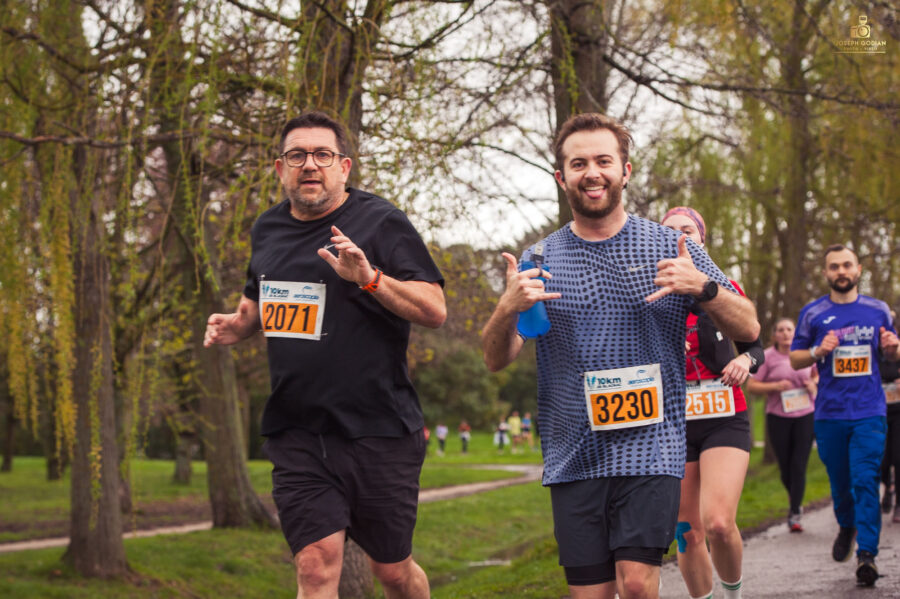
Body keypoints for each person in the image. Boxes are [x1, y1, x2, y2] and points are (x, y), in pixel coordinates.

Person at [481, 112, 760, 599]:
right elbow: (496, 358)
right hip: (575, 452)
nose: (592, 173)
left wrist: (703, 286)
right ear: (561, 177)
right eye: (579, 163)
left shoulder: (672, 247)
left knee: (635, 584)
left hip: (652, 446)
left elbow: (749, 327)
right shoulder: (539, 259)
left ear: (625, 171)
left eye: (603, 161)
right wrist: (507, 308)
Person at [203, 111, 446, 599]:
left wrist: (370, 278)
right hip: (298, 430)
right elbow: (259, 298)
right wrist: (239, 324)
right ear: (280, 168)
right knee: (314, 569)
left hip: (378, 429)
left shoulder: (382, 221)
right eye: (297, 156)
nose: (309, 165)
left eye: (322, 155)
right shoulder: (267, 228)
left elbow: (434, 310)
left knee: (393, 573)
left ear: (344, 166)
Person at [660, 207, 763, 599]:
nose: (679, 237)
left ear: (702, 239)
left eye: (687, 230)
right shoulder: (650, 292)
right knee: (687, 531)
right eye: (669, 231)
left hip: (724, 415)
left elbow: (755, 344)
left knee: (719, 523)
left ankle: (734, 595)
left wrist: (744, 361)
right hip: (673, 422)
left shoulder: (724, 287)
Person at [790, 244, 899, 587]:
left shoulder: (878, 310)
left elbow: (892, 352)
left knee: (865, 479)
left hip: (869, 410)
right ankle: (847, 524)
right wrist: (817, 350)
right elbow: (795, 358)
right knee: (840, 484)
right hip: (830, 414)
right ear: (826, 272)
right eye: (834, 266)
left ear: (858, 269)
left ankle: (867, 554)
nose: (841, 271)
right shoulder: (813, 313)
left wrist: (893, 348)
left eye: (847, 265)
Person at [747, 318, 818, 532]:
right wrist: (775, 386)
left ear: (795, 333)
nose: (785, 333)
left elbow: (817, 374)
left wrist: (812, 384)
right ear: (775, 335)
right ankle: (794, 498)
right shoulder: (767, 357)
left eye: (789, 329)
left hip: (805, 414)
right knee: (785, 468)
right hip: (778, 417)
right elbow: (752, 386)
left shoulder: (804, 353)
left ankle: (795, 512)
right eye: (780, 330)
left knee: (799, 465)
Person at [879, 311, 900, 521]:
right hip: (877, 412)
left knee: (898, 458)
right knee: (883, 461)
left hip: (899, 412)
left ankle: (899, 505)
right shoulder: (871, 351)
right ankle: (888, 488)